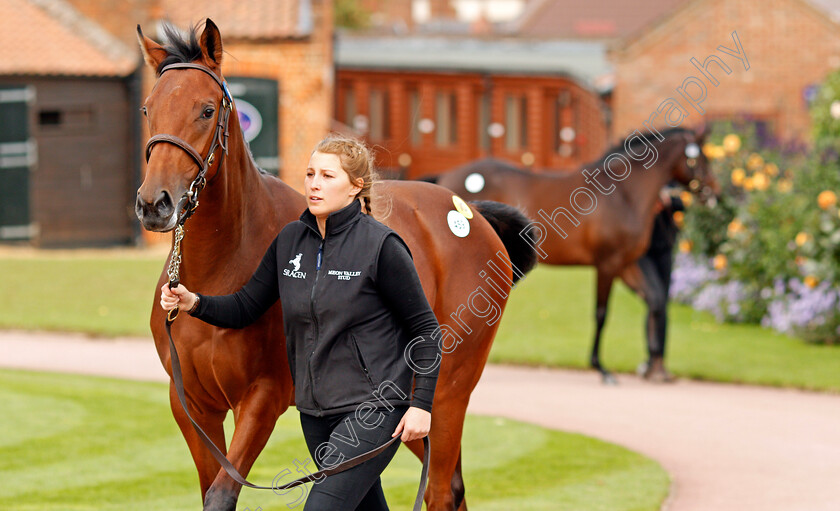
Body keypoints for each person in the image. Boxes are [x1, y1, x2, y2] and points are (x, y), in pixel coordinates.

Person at [160, 135, 441, 510]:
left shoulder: (382, 247)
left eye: (327, 175)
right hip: (315, 415)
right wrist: (193, 302)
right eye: (310, 174)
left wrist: (421, 405)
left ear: (355, 186)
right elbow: (246, 307)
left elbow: (426, 330)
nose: (314, 184)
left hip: (373, 410)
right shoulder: (290, 240)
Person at [636, 185, 684, 383]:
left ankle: (657, 361)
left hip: (664, 248)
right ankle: (653, 360)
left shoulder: (670, 178)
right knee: (655, 300)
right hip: (641, 251)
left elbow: (682, 203)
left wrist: (667, 201)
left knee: (662, 305)